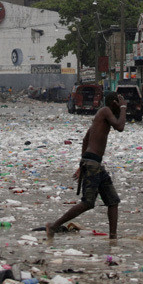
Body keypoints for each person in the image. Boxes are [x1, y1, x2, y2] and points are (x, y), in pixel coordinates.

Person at [46, 91, 127, 241]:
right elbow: (120, 126)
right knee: (88, 202)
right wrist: (123, 108)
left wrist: (81, 164)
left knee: (113, 201)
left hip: (93, 163)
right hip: (92, 164)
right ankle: (53, 226)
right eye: (119, 103)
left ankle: (113, 238)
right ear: (114, 103)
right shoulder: (105, 111)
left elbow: (85, 139)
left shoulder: (99, 117)